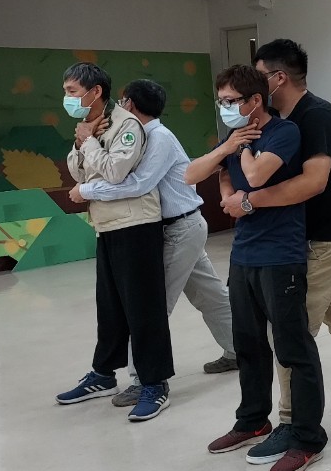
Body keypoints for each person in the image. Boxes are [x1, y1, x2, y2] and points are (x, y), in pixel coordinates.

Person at [222, 40, 331, 467]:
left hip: (323, 238)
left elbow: (313, 182)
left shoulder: (315, 115)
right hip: (317, 234)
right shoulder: (280, 120)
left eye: (259, 75)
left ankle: (291, 423)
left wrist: (249, 203)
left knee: (291, 331)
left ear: (277, 78)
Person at [193, 65, 326, 471]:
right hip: (244, 255)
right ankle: (252, 420)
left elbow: (254, 176)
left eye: (231, 101)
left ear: (255, 101)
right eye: (220, 101)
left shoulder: (283, 132)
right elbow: (193, 175)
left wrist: (241, 151)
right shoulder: (234, 139)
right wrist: (227, 156)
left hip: (281, 255)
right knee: (248, 344)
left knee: (292, 347)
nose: (225, 108)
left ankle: (308, 437)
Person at [70, 79, 236, 408]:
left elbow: (138, 184)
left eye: (122, 101)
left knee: (150, 305)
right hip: (178, 227)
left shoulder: (157, 137)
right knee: (210, 294)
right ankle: (241, 350)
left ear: (130, 104)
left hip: (180, 228)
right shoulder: (141, 136)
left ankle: (141, 380)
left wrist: (86, 191)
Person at [55, 62, 174, 423]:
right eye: (66, 91)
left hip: (136, 225)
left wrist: (89, 141)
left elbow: (115, 172)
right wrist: (83, 140)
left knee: (144, 309)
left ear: (95, 92)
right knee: (109, 308)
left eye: (73, 91)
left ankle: (154, 384)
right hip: (106, 225)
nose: (67, 97)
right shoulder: (90, 124)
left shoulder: (127, 125)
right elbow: (77, 171)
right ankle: (104, 374)